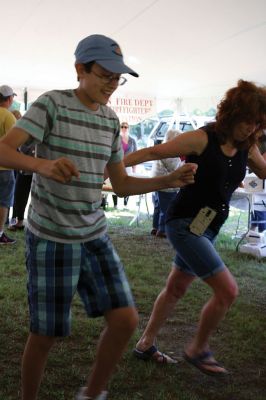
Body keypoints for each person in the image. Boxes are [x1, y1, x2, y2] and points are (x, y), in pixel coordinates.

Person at [0, 34, 197, 400]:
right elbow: (3, 151)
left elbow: (119, 184)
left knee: (125, 320)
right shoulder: (51, 105)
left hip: (94, 234)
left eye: (117, 78)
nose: (112, 85)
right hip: (51, 237)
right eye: (106, 75)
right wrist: (42, 164)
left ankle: (91, 393)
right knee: (46, 334)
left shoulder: (110, 121)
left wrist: (167, 180)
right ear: (80, 70)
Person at [124, 79, 266, 375]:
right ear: (233, 113)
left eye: (257, 124)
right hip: (184, 223)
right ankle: (198, 348)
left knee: (176, 287)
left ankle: (145, 343)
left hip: (209, 227)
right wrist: (113, 167)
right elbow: (154, 152)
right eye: (248, 122)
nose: (251, 129)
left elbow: (264, 170)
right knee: (228, 291)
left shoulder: (247, 146)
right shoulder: (203, 139)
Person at [150, 129, 183, 238]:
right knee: (167, 208)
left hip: (156, 182)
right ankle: (162, 230)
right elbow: (175, 167)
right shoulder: (169, 151)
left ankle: (155, 227)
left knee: (158, 207)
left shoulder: (162, 148)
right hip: (166, 184)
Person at [0, 85, 17, 244]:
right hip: (3, 167)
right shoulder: (8, 116)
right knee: (3, 202)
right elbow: (13, 143)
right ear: (9, 99)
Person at [8, 143, 35, 231]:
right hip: (24, 169)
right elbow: (22, 149)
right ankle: (15, 222)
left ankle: (20, 222)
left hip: (38, 171)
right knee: (19, 197)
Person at [112, 121, 137, 208]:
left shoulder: (133, 141)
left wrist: (134, 168)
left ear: (128, 128)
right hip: (116, 164)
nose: (123, 128)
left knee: (127, 182)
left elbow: (136, 154)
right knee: (115, 182)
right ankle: (115, 204)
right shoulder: (116, 139)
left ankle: (125, 204)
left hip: (129, 166)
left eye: (125, 127)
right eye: (122, 126)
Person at [250, 130, 266, 232]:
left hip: (260, 185)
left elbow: (263, 168)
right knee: (255, 205)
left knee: (259, 205)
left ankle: (260, 232)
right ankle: (254, 232)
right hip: (255, 182)